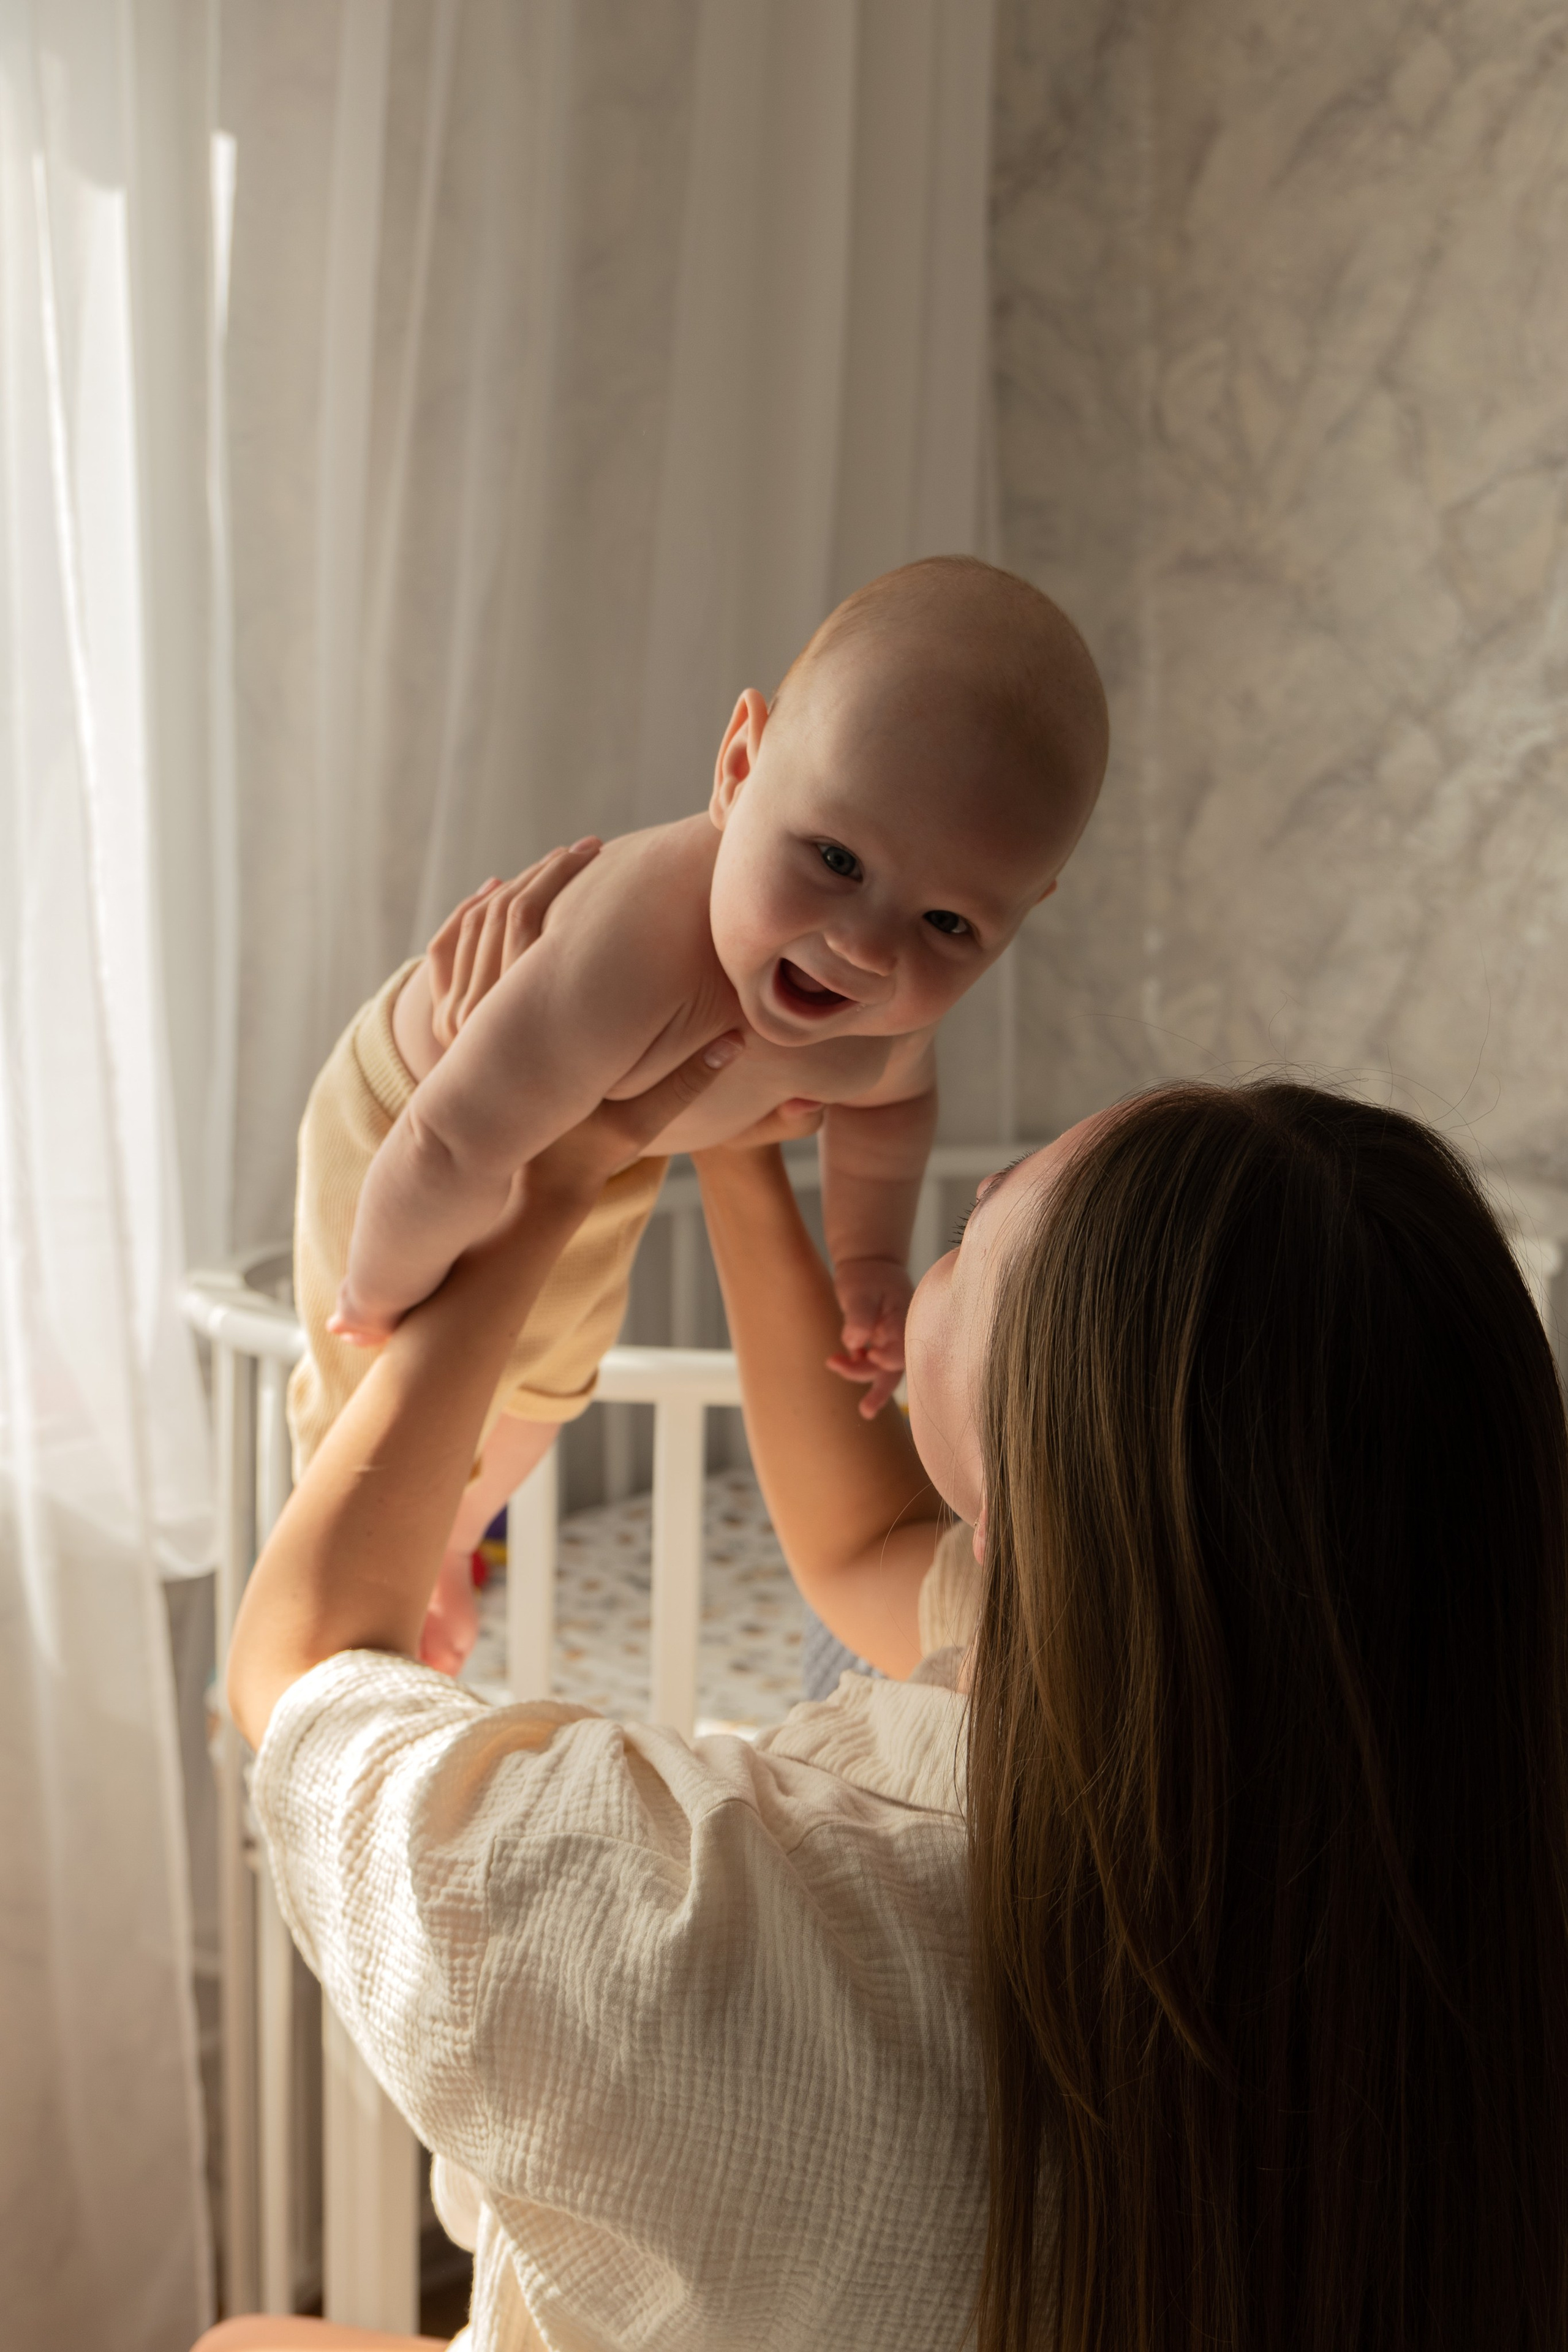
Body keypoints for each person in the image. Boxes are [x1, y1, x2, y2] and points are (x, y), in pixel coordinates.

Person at [212, 920, 1568, 2346]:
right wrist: (730, 1149)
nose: (954, 1212)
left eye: (977, 1233)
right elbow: (858, 1548)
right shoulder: (1454, 1883)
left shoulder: (680, 1901)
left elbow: (300, 1669)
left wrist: (546, 1191)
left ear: (1032, 1480)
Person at [286, 554, 1109, 1670]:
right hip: (417, 1121)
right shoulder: (636, 950)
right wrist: (379, 1290)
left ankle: (454, 1545)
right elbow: (449, 1139)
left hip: (611, 1160)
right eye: (833, 858)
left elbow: (889, 1111)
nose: (866, 949)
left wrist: (866, 1260)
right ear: (738, 766)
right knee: (387, 1395)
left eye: (950, 925)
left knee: (541, 1396)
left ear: (1020, 915)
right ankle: (332, 1535)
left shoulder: (887, 1015)